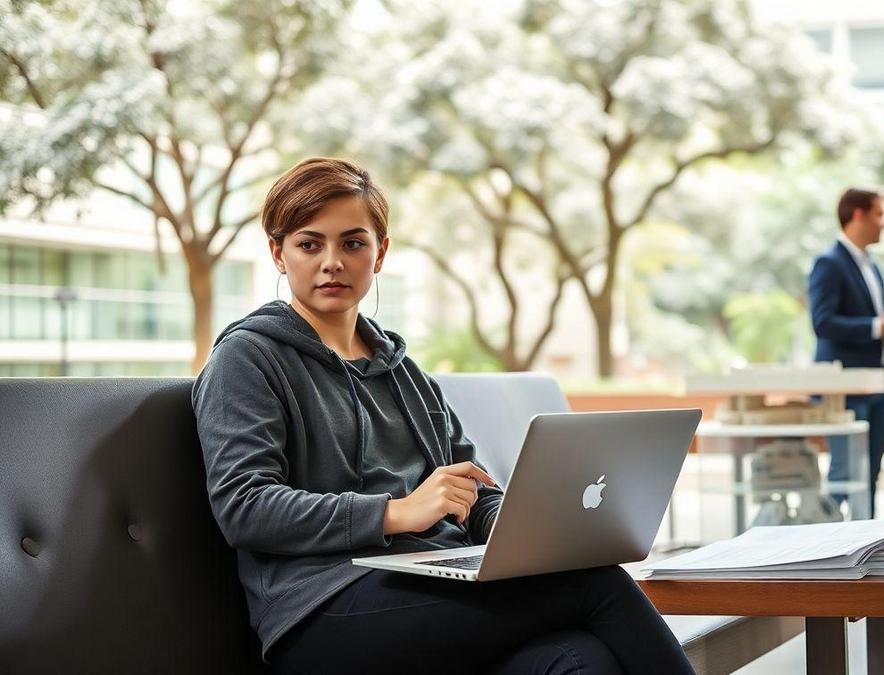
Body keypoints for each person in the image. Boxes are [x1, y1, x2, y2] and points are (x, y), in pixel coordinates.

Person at [191, 157, 693, 674]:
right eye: (309, 244)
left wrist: (518, 532)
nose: (332, 262)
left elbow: (471, 485)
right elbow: (245, 506)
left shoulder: (405, 373)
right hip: (322, 609)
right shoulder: (247, 359)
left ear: (380, 253)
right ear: (278, 253)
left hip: (429, 586)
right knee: (595, 583)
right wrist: (396, 512)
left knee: (580, 660)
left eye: (353, 243)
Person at [808, 188, 884, 517]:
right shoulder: (829, 263)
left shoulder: (874, 267)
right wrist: (878, 326)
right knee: (844, 475)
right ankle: (821, 537)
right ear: (858, 215)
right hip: (846, 389)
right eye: (879, 214)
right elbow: (823, 323)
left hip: (878, 388)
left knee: (869, 476)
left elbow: (879, 330)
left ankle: (865, 540)